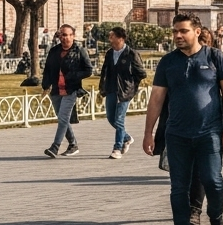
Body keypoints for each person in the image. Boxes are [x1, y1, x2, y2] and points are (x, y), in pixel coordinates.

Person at [143, 14, 223, 225]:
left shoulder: (215, 57)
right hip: (177, 134)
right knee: (178, 187)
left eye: (183, 31)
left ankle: (216, 216)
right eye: (175, 31)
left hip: (210, 132)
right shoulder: (168, 62)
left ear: (197, 31)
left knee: (212, 180)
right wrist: (148, 132)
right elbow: (156, 99)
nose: (177, 35)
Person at [41, 25, 93, 158]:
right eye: (62, 35)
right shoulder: (54, 51)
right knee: (62, 119)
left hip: (71, 89)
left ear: (73, 36)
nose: (65, 38)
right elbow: (47, 70)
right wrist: (45, 86)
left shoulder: (79, 50)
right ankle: (73, 144)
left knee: (63, 118)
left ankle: (55, 147)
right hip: (56, 90)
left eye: (67, 35)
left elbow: (88, 70)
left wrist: (73, 75)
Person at [99, 26, 146, 159]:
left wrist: (131, 85)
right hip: (111, 89)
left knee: (119, 120)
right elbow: (105, 71)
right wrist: (103, 86)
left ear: (121, 38)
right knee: (110, 118)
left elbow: (141, 73)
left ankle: (117, 148)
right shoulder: (109, 53)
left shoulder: (131, 54)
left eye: (112, 36)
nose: (110, 39)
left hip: (124, 91)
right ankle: (126, 137)